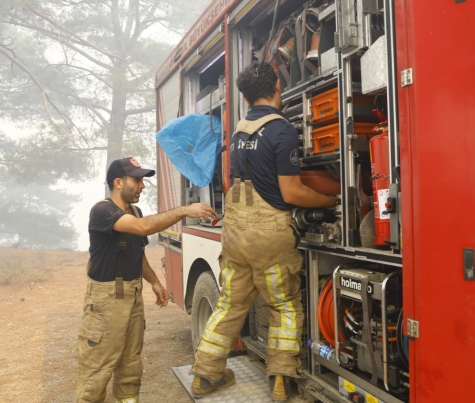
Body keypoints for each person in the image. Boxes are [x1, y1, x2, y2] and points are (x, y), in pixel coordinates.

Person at [190, 62, 338, 400]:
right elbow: (291, 193)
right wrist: (331, 198)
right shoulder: (281, 129)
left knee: (230, 305)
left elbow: (233, 182)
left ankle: (205, 374)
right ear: (276, 86)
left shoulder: (240, 131)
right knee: (283, 305)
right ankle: (282, 380)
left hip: (236, 233)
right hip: (268, 236)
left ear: (244, 97)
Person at [76, 157, 216, 403]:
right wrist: (185, 210)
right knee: (97, 370)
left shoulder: (135, 211)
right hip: (106, 300)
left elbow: (134, 252)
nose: (142, 185)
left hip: (132, 295)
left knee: (130, 366)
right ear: (118, 182)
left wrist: (154, 281)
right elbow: (141, 228)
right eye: (137, 180)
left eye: (142, 180)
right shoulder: (103, 211)